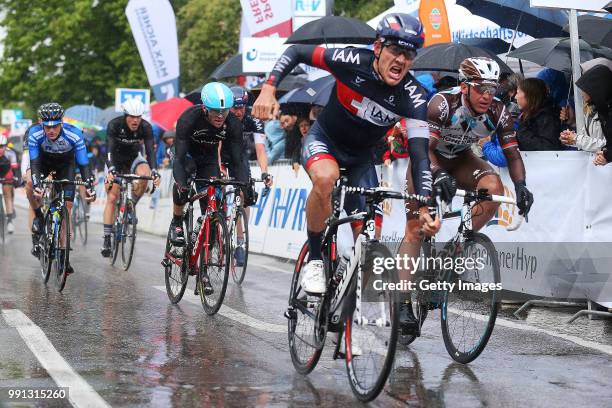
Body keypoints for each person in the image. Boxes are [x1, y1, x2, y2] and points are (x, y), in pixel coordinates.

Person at [252, 13, 438, 312]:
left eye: (409, 54)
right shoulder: (351, 60)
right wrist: (269, 88)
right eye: (395, 51)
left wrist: (426, 204)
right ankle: (315, 259)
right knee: (326, 178)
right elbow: (297, 50)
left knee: (366, 238)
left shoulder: (414, 97)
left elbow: (420, 156)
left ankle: (344, 291)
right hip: (325, 140)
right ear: (378, 47)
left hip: (362, 158)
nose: (401, 60)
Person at [417, 57, 533, 234]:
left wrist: (521, 186)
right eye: (480, 88)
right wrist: (437, 173)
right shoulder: (443, 103)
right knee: (415, 231)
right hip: (430, 160)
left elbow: (513, 154)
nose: (487, 96)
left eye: (492, 89)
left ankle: (457, 247)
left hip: (462, 159)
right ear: (464, 87)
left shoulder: (498, 111)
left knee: (494, 188)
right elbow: (424, 149)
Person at [169, 82, 247, 292]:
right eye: (215, 111)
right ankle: (177, 222)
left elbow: (238, 160)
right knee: (182, 185)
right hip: (185, 156)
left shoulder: (233, 124)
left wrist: (244, 186)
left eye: (224, 111)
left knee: (213, 211)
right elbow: (178, 159)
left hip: (209, 160)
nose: (220, 116)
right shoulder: (189, 118)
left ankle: (202, 272)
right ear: (205, 108)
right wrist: (182, 184)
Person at [26, 103, 96, 271]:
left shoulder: (74, 134)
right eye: (47, 127)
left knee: (67, 208)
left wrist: (89, 185)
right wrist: (37, 184)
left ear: (62, 123)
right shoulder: (34, 134)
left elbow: (84, 163)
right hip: (42, 163)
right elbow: (35, 162)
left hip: (66, 165)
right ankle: (38, 216)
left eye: (55, 126)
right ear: (41, 124)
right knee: (29, 182)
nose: (51, 130)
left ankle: (64, 256)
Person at [101, 98, 160, 257]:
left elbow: (150, 151)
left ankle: (130, 206)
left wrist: (154, 170)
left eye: (138, 117)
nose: (135, 120)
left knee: (144, 174)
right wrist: (112, 169)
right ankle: (107, 238)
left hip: (134, 158)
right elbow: (109, 150)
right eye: (132, 117)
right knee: (112, 197)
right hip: (115, 160)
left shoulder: (145, 127)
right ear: (125, 115)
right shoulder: (115, 125)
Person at [228, 86, 273, 266]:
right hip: (220, 156)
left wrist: (265, 172)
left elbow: (261, 150)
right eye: (235, 107)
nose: (238, 112)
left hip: (240, 160)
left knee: (243, 196)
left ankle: (240, 242)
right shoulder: (222, 118)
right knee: (217, 188)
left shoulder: (253, 120)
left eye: (242, 107)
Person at [575, 65, 612, 166]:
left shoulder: (607, 111)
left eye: (585, 89)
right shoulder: (601, 109)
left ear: (596, 88)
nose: (582, 94)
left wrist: (608, 155)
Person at [515, 78, 564, 151]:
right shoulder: (531, 114)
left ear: (529, 95)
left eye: (518, 93)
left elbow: (548, 147)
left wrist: (521, 134)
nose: (515, 97)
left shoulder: (546, 117)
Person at [0, 134, 20, 233]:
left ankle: (9, 221)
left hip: (7, 174)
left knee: (7, 194)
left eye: (2, 146)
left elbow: (15, 168)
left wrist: (15, 177)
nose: (0, 148)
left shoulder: (10, 153)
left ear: (5, 146)